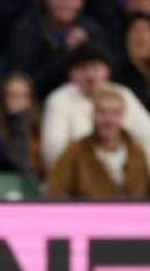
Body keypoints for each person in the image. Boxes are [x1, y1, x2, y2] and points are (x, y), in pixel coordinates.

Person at [40, 42, 150, 171]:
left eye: (95, 67)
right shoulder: (59, 100)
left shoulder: (123, 95)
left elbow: (147, 135)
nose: (90, 76)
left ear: (107, 71)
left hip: (126, 177)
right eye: (82, 68)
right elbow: (53, 149)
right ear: (71, 73)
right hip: (78, 181)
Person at [47, 84, 150, 198]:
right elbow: (56, 193)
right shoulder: (75, 152)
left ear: (123, 116)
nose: (108, 119)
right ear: (93, 115)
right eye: (102, 112)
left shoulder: (136, 152)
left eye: (115, 113)